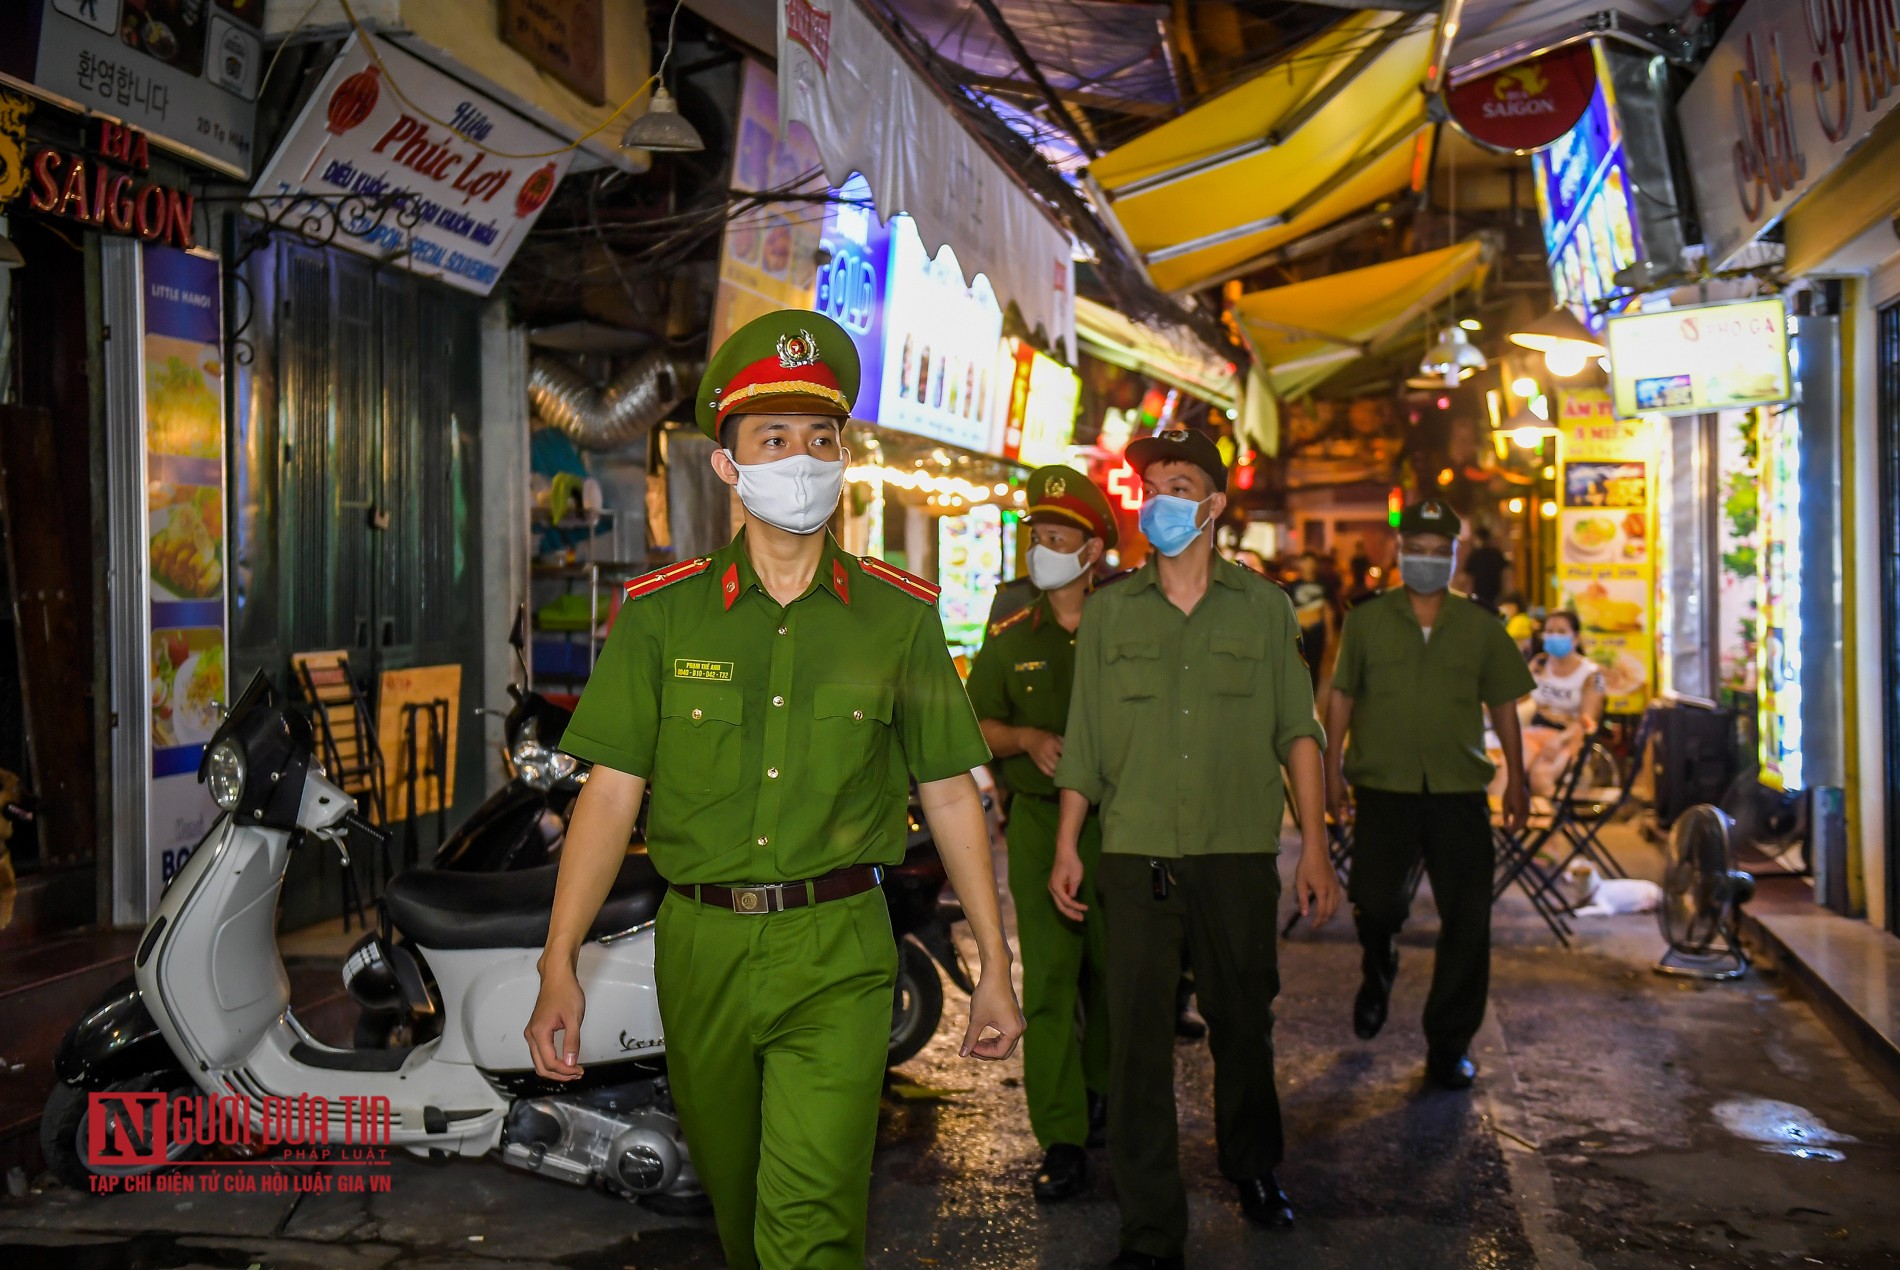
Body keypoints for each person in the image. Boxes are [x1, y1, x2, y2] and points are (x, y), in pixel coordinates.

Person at [525, 310, 1024, 1270]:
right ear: (729, 466)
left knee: (812, 1225)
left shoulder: (899, 617)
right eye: (776, 439)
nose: (803, 458)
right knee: (739, 1206)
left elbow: (951, 793)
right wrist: (561, 961)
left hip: (837, 947)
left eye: (821, 439)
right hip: (701, 944)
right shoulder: (662, 618)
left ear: (844, 460)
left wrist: (994, 957)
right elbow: (609, 795)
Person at [1049, 427, 1339, 1270]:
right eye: (1152, 484)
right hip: (1133, 855)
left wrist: (1314, 847)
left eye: (1181, 484)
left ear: (1213, 505)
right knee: (1138, 1044)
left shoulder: (1264, 607)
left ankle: (1253, 1167)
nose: (1161, 498)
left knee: (1244, 1025)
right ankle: (1150, 1227)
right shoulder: (1108, 612)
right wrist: (1068, 839)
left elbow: (1299, 732)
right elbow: (1086, 739)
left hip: (1237, 853)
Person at [1324, 499, 1534, 1091]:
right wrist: (1330, 768)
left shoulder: (1480, 625)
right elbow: (1341, 695)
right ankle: (1379, 961)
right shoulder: (1365, 619)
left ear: (1454, 557)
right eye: (1415, 547)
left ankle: (1449, 1045)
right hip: (1383, 786)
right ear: (1398, 552)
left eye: (1438, 550)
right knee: (1376, 901)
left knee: (1467, 920)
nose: (1425, 558)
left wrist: (1516, 778)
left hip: (1457, 790)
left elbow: (1504, 705)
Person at [966, 465, 1118, 1203]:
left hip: (1120, 829)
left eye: (1061, 537)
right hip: (1034, 823)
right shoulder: (1010, 636)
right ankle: (1061, 1136)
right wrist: (1025, 738)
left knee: (1118, 973)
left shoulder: (1127, 631)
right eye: (1040, 536)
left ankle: (1105, 1094)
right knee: (1050, 982)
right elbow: (977, 727)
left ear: (1093, 551)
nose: (1046, 547)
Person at [1522, 610, 1605, 797]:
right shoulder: (1539, 663)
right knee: (1508, 770)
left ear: (1576, 638)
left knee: (1540, 776)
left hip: (1569, 737)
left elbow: (1588, 720)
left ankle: (1548, 820)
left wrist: (1561, 739)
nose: (1553, 636)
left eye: (1561, 631)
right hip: (1536, 731)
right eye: (1549, 631)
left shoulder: (1592, 674)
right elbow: (1515, 695)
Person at [1289, 553, 1331, 691]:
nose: (1308, 565)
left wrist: (1329, 634)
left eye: (1311, 562)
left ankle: (1312, 698)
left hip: (1317, 631)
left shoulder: (1323, 585)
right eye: (1305, 561)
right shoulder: (1293, 586)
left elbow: (1328, 610)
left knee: (1315, 665)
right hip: (1299, 631)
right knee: (1298, 665)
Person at [1465, 526, 1509, 611]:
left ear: (1478, 538)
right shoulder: (1496, 554)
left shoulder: (1475, 555)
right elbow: (1506, 574)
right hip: (1497, 596)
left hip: (1480, 596)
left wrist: (1468, 596)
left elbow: (1469, 579)